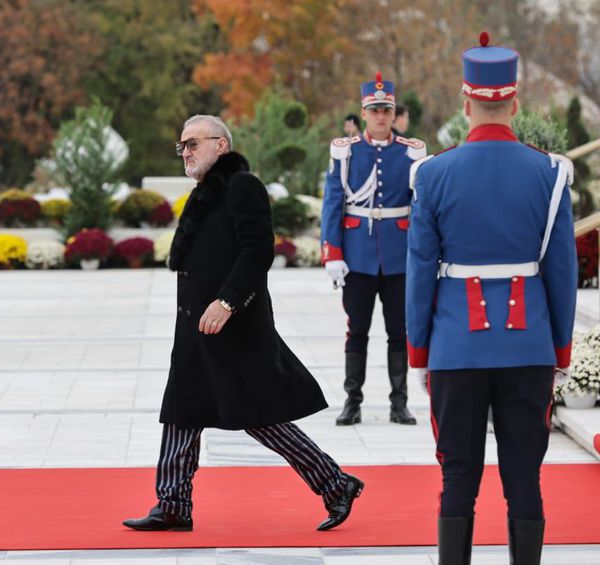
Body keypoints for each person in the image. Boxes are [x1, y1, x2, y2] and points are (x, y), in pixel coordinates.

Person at [122, 115, 364, 533]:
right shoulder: (204, 193)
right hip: (195, 325)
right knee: (184, 409)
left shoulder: (242, 186)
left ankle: (336, 483)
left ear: (220, 145)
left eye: (193, 144)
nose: (186, 152)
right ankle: (173, 502)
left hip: (233, 326)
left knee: (259, 416)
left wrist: (227, 302)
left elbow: (257, 251)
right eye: (181, 146)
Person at [406, 32, 577, 565]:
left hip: (456, 348)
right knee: (524, 476)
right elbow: (562, 271)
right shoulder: (550, 174)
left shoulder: (431, 174)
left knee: (458, 477)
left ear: (466, 103)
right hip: (528, 348)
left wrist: (419, 351)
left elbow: (419, 273)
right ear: (515, 102)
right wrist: (562, 350)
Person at [320, 72, 427, 427]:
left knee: (399, 330)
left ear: (394, 113)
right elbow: (333, 203)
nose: (381, 116)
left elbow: (422, 207)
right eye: (375, 110)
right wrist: (332, 252)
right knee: (357, 330)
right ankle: (353, 401)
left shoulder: (410, 152)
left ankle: (400, 403)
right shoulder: (347, 152)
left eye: (387, 110)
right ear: (364, 113)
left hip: (398, 255)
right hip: (358, 255)